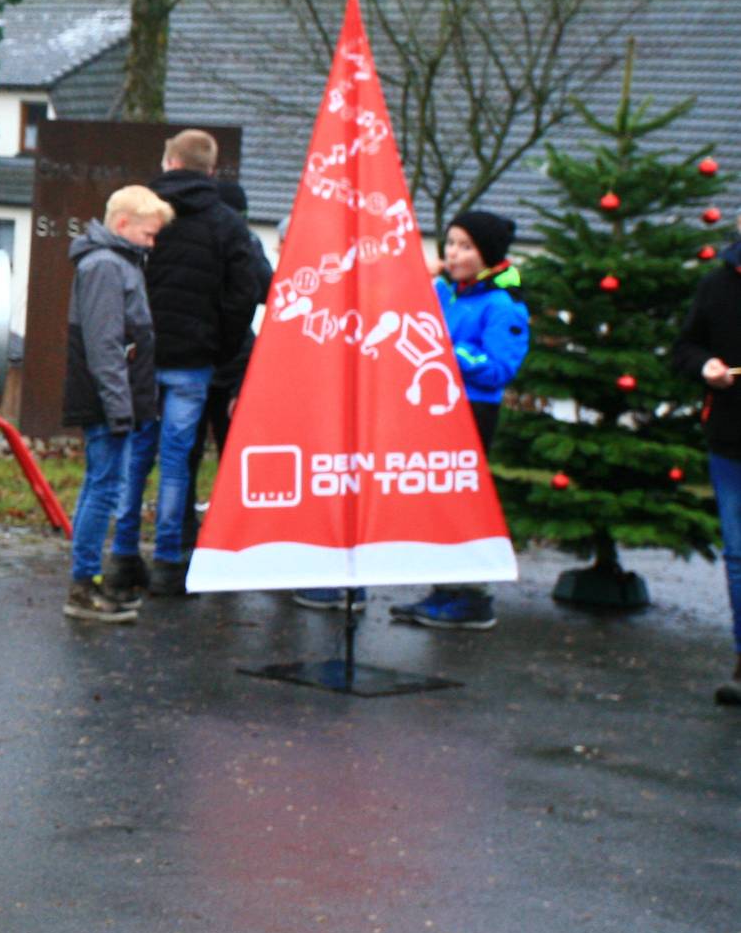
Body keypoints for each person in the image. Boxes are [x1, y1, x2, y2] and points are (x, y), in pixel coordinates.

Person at [298, 210, 526, 626]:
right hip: (427, 404)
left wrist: (445, 350)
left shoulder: (502, 304)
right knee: (420, 494)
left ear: (488, 255)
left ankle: (470, 596)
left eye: (466, 247)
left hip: (471, 410)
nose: (453, 253)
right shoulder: (445, 292)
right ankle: (429, 588)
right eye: (450, 243)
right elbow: (399, 311)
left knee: (459, 501)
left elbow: (498, 368)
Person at [136, 130, 269, 597]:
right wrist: (223, 346)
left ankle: (124, 555)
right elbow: (246, 291)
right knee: (178, 463)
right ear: (211, 170)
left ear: (170, 161)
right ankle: (171, 561)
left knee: (136, 460)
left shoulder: (144, 213)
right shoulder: (226, 224)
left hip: (144, 358)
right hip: (196, 362)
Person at [62, 186, 170, 622]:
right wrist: (119, 408)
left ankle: (87, 580)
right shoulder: (106, 266)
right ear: (122, 224)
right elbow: (105, 345)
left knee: (102, 486)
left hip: (113, 399)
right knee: (103, 488)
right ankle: (83, 586)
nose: (152, 243)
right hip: (108, 401)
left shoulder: (116, 262)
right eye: (148, 234)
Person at [667, 229, 741, 704]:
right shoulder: (716, 285)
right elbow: (684, 348)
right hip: (731, 439)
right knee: (738, 556)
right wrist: (705, 366)